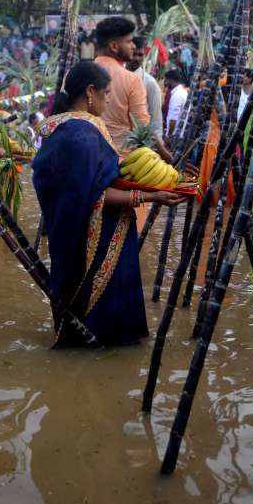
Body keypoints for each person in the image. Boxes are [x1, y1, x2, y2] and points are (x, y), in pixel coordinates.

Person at [32, 61, 182, 346]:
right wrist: (150, 196)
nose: (111, 99)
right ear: (90, 92)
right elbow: (93, 196)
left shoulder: (65, 128)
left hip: (77, 238)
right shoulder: (81, 135)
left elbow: (88, 182)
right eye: (107, 92)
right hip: (96, 243)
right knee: (103, 331)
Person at [94, 16, 150, 152]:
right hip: (121, 163)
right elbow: (142, 128)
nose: (133, 46)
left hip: (84, 159)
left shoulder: (74, 75)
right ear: (114, 46)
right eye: (129, 41)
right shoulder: (131, 80)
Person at [126, 35, 171, 158]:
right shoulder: (115, 77)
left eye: (140, 55)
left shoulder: (149, 83)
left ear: (144, 55)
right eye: (133, 54)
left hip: (141, 150)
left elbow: (156, 120)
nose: (136, 58)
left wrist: (158, 150)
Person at [164, 67, 190, 139]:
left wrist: (169, 136)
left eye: (167, 80)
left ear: (171, 80)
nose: (166, 83)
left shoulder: (177, 95)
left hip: (175, 135)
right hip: (179, 133)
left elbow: (173, 119)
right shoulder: (182, 92)